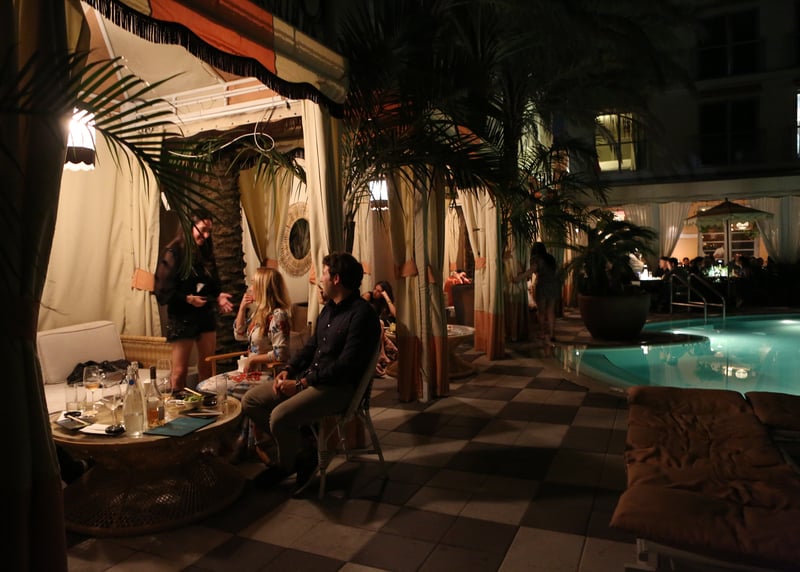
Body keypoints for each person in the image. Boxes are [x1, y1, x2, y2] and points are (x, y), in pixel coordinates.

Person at [241, 252, 381, 494]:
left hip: (339, 388)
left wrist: (301, 384)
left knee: (279, 417)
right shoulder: (329, 310)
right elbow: (310, 348)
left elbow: (345, 366)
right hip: (312, 379)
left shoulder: (362, 314)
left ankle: (286, 465)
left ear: (336, 279)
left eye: (324, 273)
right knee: (250, 401)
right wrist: (288, 370)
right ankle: (304, 449)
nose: (320, 279)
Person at [154, 208, 234, 390]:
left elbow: (213, 281)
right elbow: (162, 291)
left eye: (209, 231)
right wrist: (188, 299)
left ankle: (205, 404)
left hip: (205, 314)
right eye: (202, 230)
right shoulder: (173, 252)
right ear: (190, 226)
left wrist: (219, 296)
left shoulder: (205, 250)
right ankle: (178, 405)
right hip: (182, 317)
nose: (206, 236)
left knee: (207, 368)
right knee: (179, 371)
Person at [234, 267, 292, 371]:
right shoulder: (259, 313)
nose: (250, 288)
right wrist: (242, 309)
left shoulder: (278, 316)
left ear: (263, 288)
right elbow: (240, 334)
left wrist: (253, 360)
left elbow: (281, 354)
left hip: (268, 372)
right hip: (253, 370)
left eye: (253, 284)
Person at [363, 281, 398, 376]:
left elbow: (395, 314)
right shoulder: (368, 296)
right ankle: (384, 353)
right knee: (380, 323)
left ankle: (384, 353)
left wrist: (386, 298)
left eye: (378, 291)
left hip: (379, 330)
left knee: (381, 326)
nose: (375, 292)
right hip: (366, 327)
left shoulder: (383, 304)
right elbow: (360, 309)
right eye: (375, 289)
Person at [530, 242, 560, 342]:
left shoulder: (536, 259)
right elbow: (555, 271)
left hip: (542, 285)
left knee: (541, 311)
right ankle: (552, 334)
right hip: (554, 284)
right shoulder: (550, 258)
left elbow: (533, 271)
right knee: (551, 311)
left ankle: (542, 333)